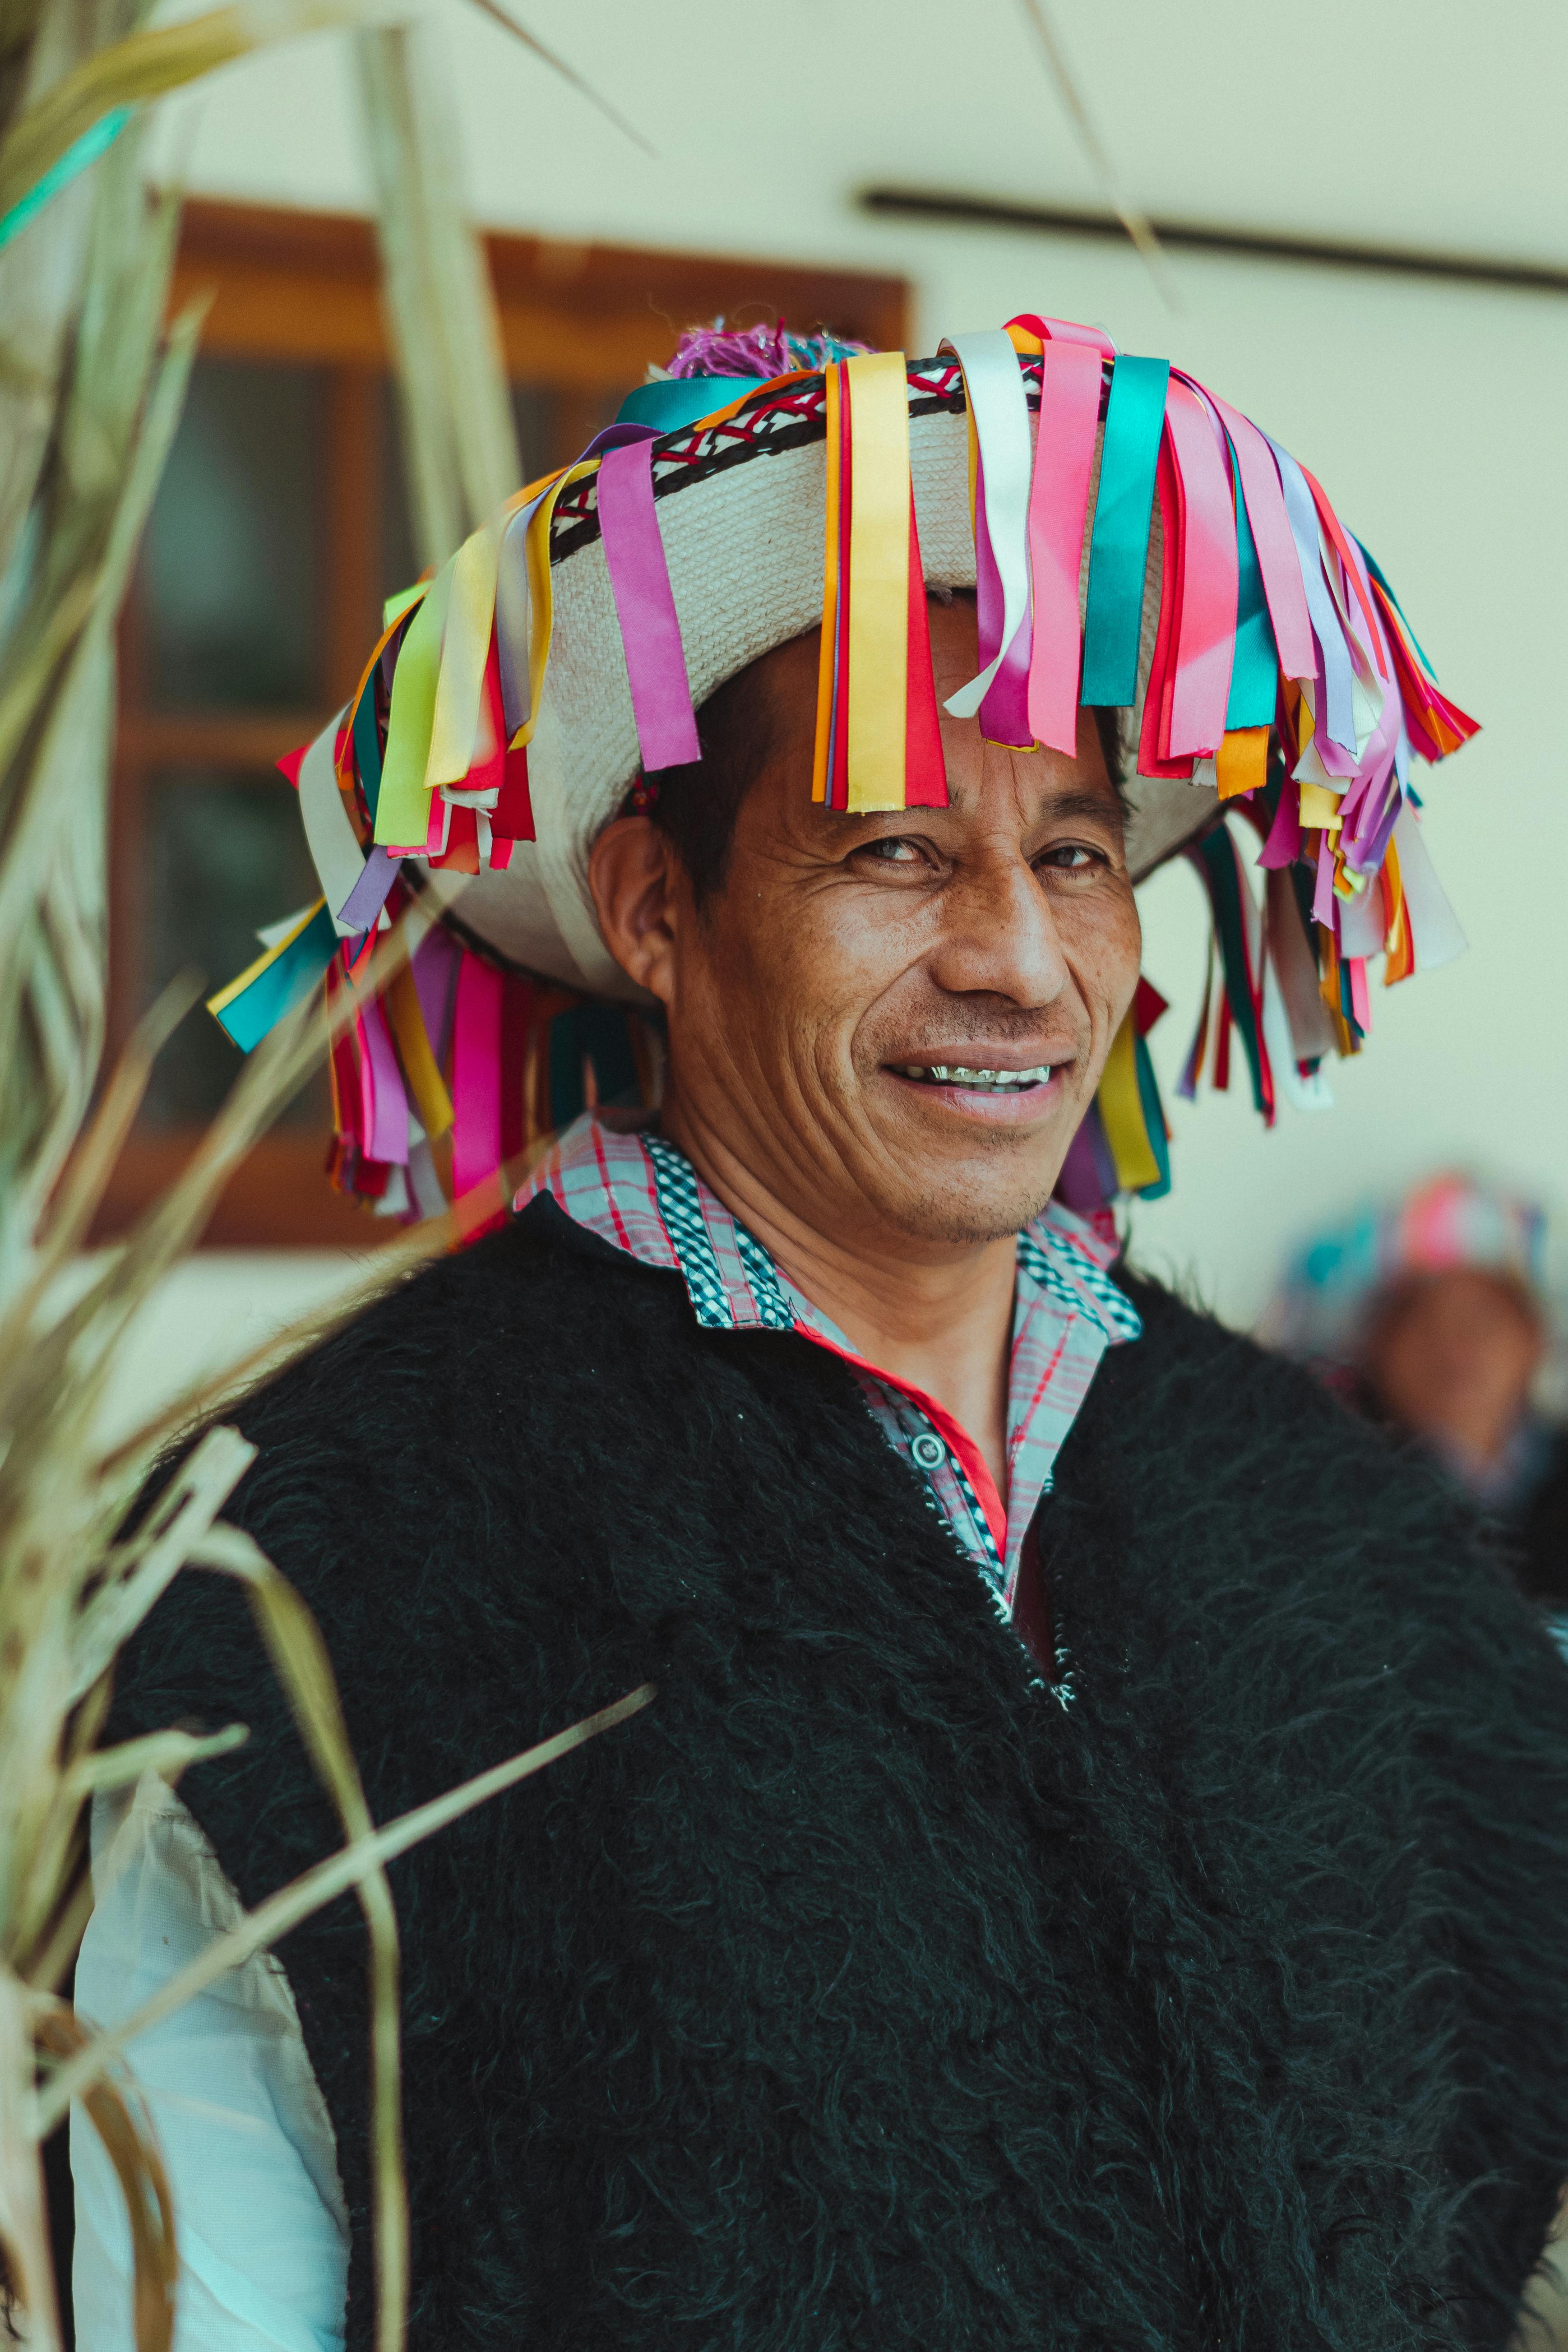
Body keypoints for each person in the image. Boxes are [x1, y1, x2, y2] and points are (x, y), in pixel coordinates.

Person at [78, 318, 1568, 2352]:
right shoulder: (318, 1564)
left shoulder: (1329, 1536)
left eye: (1069, 850)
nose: (1018, 956)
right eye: (890, 846)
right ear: (652, 907)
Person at [1270, 1173, 1568, 1625]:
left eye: (1483, 1318)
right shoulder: (1325, 1491)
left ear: (1534, 1338)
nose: (1453, 1346)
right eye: (1418, 1321)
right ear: (1372, 1349)